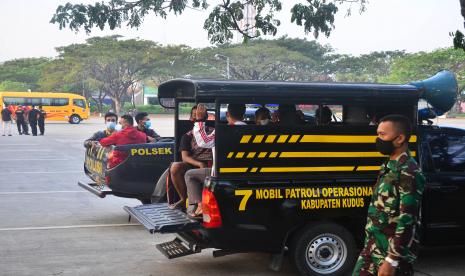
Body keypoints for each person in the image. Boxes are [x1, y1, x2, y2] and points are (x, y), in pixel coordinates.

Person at [352, 114, 425, 276]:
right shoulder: (387, 165)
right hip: (372, 247)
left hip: (391, 255)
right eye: (378, 134)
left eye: (382, 135)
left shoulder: (409, 172)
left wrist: (392, 260)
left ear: (399, 139)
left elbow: (408, 220)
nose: (378, 139)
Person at [184, 103, 246, 217]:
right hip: (244, 173)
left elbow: (204, 142)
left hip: (221, 174)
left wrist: (199, 120)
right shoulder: (249, 129)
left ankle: (199, 205)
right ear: (244, 114)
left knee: (189, 175)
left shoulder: (223, 131)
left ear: (227, 114)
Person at [168, 105, 213, 211]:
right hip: (194, 164)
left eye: (200, 115)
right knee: (175, 166)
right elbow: (185, 157)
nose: (197, 117)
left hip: (213, 164)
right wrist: (199, 164)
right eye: (195, 115)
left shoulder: (214, 131)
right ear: (191, 119)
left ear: (205, 117)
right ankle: (183, 199)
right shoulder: (187, 136)